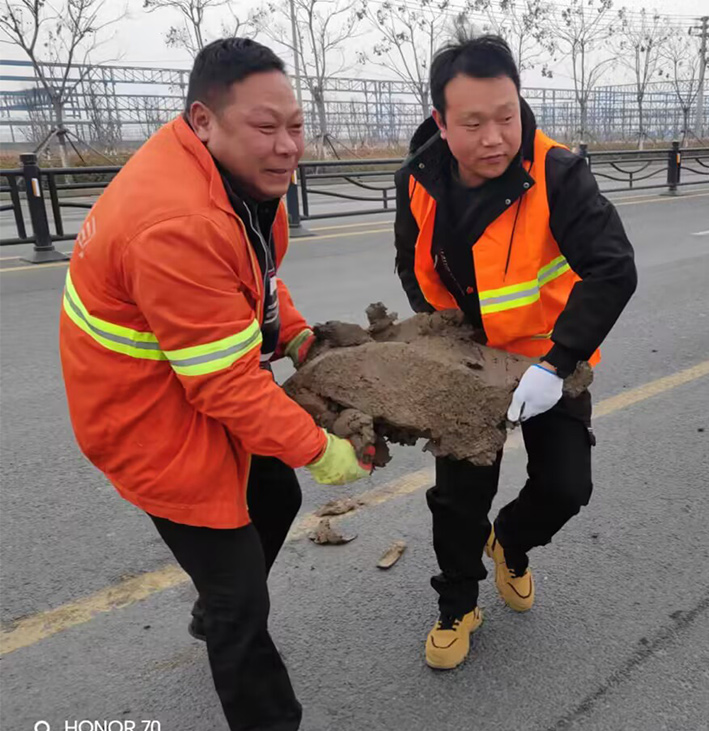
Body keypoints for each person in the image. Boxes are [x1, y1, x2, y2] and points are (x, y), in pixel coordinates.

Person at [59, 38, 372, 730]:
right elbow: (227, 387)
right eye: (266, 127)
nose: (287, 146)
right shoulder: (180, 223)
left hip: (190, 379)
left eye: (295, 125)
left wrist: (295, 335)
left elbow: (249, 281)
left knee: (274, 493)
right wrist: (321, 449)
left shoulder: (240, 184)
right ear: (203, 120)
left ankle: (214, 603)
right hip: (147, 419)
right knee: (241, 602)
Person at [393, 35, 638, 670]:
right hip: (468, 363)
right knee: (458, 497)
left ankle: (511, 541)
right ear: (441, 121)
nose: (496, 138)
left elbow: (613, 269)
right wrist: (442, 343)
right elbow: (411, 264)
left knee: (566, 487)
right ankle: (457, 603)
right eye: (473, 123)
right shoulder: (417, 178)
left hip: (546, 362)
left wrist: (558, 363)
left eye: (507, 116)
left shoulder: (557, 173)